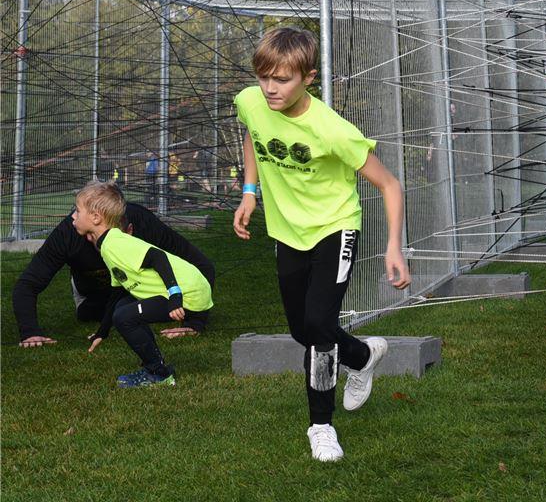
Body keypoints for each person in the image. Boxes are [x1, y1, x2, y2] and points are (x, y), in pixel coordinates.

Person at [232, 26, 411, 462]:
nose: (270, 88)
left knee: (317, 327)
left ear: (308, 78)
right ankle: (363, 356)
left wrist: (394, 246)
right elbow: (252, 134)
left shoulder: (333, 130)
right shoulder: (251, 101)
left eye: (282, 79)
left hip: (335, 228)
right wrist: (250, 192)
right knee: (302, 329)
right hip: (287, 232)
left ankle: (322, 426)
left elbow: (389, 185)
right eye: (264, 77)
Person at [14, 196, 216, 347]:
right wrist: (30, 332)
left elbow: (203, 266)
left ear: (129, 231)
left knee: (131, 311)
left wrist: (195, 322)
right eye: (93, 236)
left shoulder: (144, 223)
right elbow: (27, 285)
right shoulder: (68, 234)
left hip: (136, 287)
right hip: (92, 292)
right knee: (97, 313)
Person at [73, 181, 214, 387]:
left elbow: (157, 257)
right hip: (183, 291)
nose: (73, 216)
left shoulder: (115, 243)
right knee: (122, 308)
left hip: (188, 292)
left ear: (95, 218)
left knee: (125, 317)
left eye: (77, 211)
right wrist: (103, 331)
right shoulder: (108, 245)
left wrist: (175, 296)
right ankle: (157, 365)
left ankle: (159, 373)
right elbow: (117, 293)